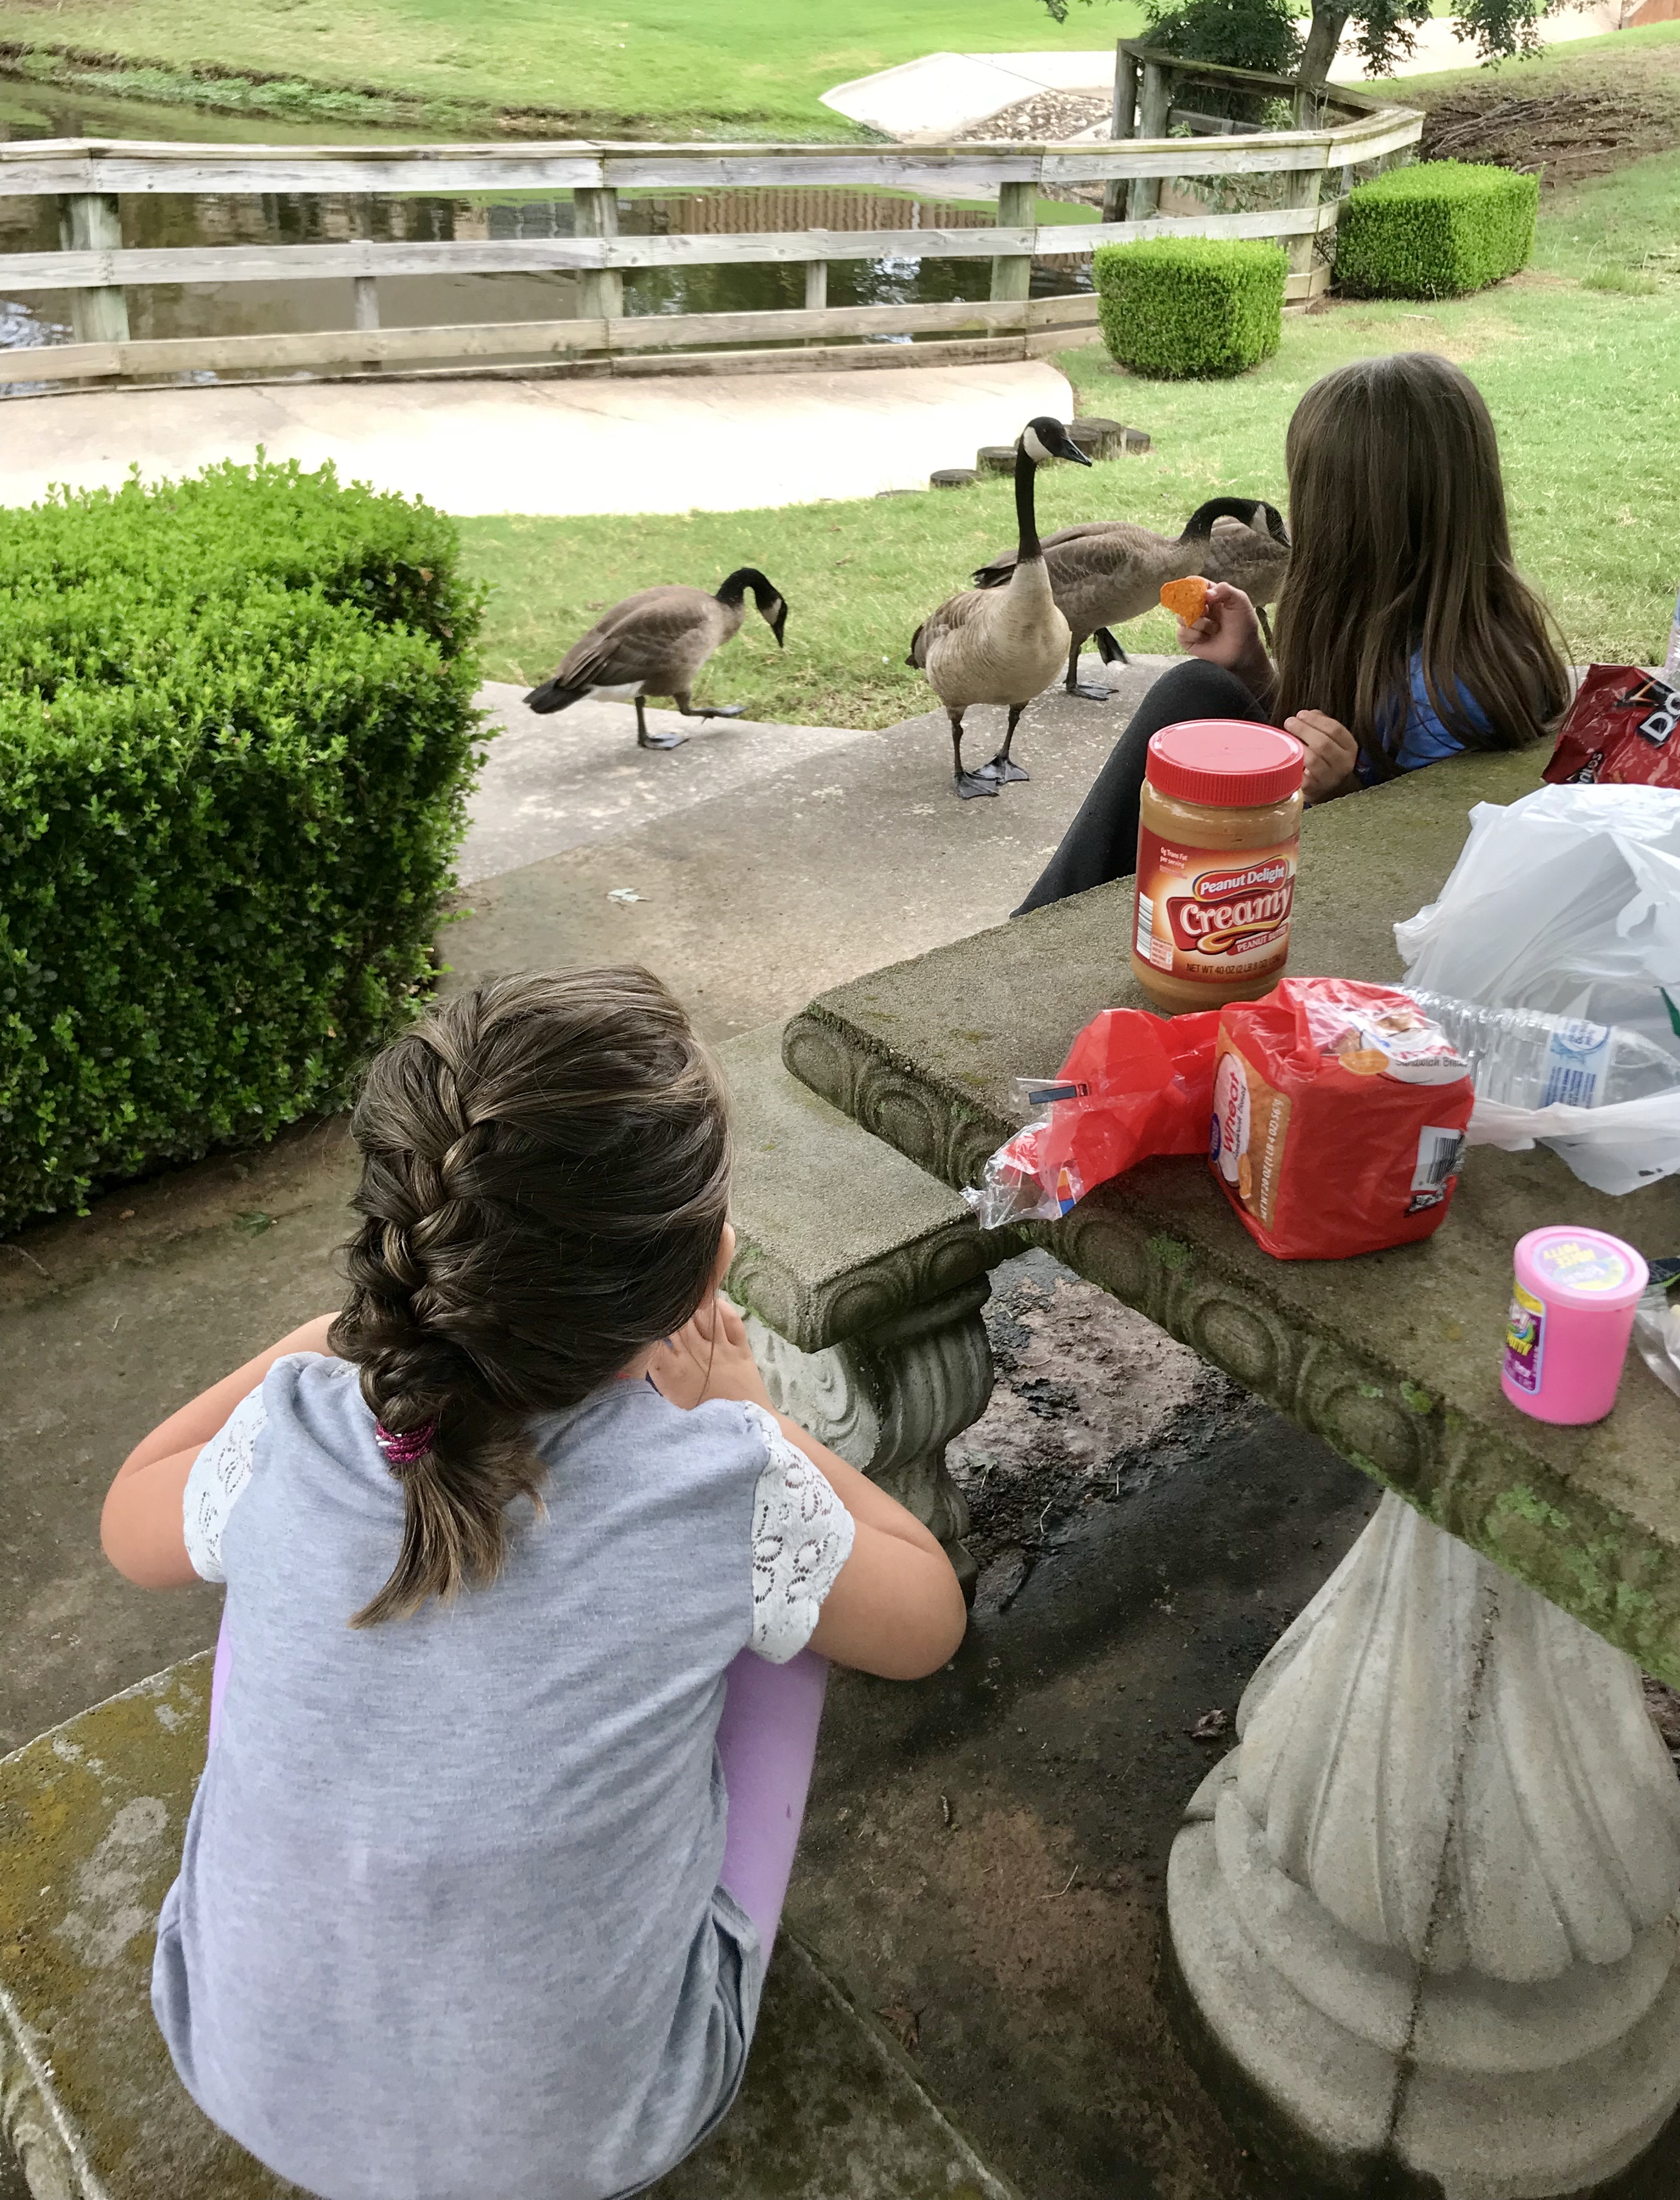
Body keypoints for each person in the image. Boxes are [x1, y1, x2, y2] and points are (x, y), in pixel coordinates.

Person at [99, 968, 966, 2200]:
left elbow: (132, 1519)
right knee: (785, 1619)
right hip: (587, 2142)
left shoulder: (296, 1423)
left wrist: (336, 1339)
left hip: (238, 2060)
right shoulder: (715, 1481)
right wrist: (752, 1422)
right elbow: (925, 1618)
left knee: (261, 1561)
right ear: (706, 1272)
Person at [1017, 351, 1572, 913]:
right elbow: (1332, 740)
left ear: (1347, 514)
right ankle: (1045, 918)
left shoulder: (1452, 691)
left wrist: (1346, 794)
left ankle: (1039, 923)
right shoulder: (1409, 629)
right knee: (1203, 688)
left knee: (1191, 691)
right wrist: (1252, 668)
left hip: (1339, 899)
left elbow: (1419, 851)